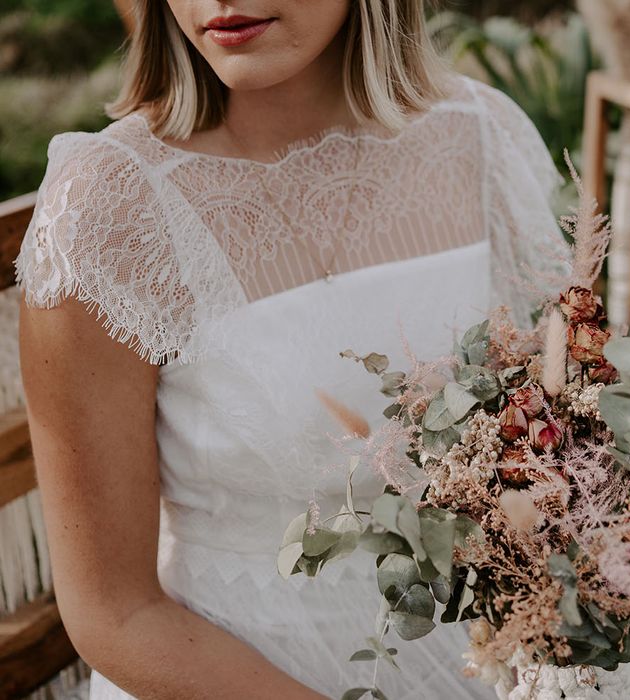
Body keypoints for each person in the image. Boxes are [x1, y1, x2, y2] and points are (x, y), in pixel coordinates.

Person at [15, 1, 570, 698]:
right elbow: (115, 612)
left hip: (482, 656)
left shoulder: (481, 136)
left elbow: (557, 437)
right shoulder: (108, 208)